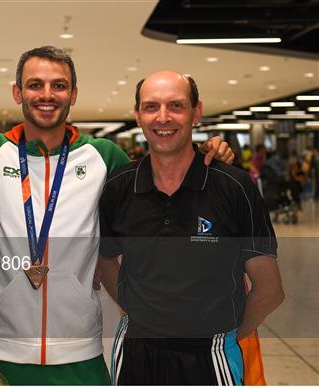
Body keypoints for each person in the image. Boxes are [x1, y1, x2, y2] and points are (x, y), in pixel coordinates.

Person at [0, 47, 234, 385]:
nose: (47, 94)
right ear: (17, 93)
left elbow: (161, 179)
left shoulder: (104, 156)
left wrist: (208, 154)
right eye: (35, 85)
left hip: (81, 351)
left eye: (59, 85)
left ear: (73, 94)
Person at [98, 71, 284, 385]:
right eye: (151, 107)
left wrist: (226, 337)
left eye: (176, 106)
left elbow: (270, 290)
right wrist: (140, 312)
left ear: (196, 112)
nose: (163, 117)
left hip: (211, 355)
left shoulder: (234, 187)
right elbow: (105, 262)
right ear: (138, 116)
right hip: (135, 353)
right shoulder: (119, 187)